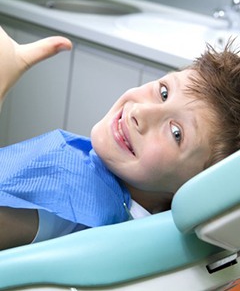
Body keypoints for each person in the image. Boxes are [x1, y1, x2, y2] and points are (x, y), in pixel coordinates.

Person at [0, 28, 240, 250]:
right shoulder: (136, 224)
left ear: (193, 187)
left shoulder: (68, 205)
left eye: (176, 133)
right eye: (164, 92)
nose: (140, 113)